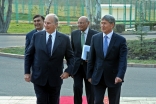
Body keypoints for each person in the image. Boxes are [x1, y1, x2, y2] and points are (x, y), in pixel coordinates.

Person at [24, 13, 74, 104]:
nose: (46, 25)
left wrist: (68, 71)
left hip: (55, 78)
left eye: (49, 23)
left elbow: (71, 58)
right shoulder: (36, 36)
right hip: (39, 76)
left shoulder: (64, 39)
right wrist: (27, 72)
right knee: (41, 101)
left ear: (56, 24)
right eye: (45, 23)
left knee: (54, 101)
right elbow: (28, 55)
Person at [87, 15, 127, 104]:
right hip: (98, 77)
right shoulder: (95, 38)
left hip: (114, 77)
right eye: (101, 23)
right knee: (97, 101)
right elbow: (91, 58)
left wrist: (120, 75)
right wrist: (89, 75)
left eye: (105, 23)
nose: (102, 25)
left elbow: (123, 60)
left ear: (112, 25)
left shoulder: (120, 40)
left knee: (114, 101)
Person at [71, 16, 98, 104]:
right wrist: (71, 68)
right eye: (78, 23)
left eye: (82, 23)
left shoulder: (96, 35)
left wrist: (91, 59)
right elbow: (72, 52)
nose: (79, 25)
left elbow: (98, 52)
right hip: (77, 67)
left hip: (89, 67)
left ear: (88, 23)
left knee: (90, 89)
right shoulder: (74, 34)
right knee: (77, 88)